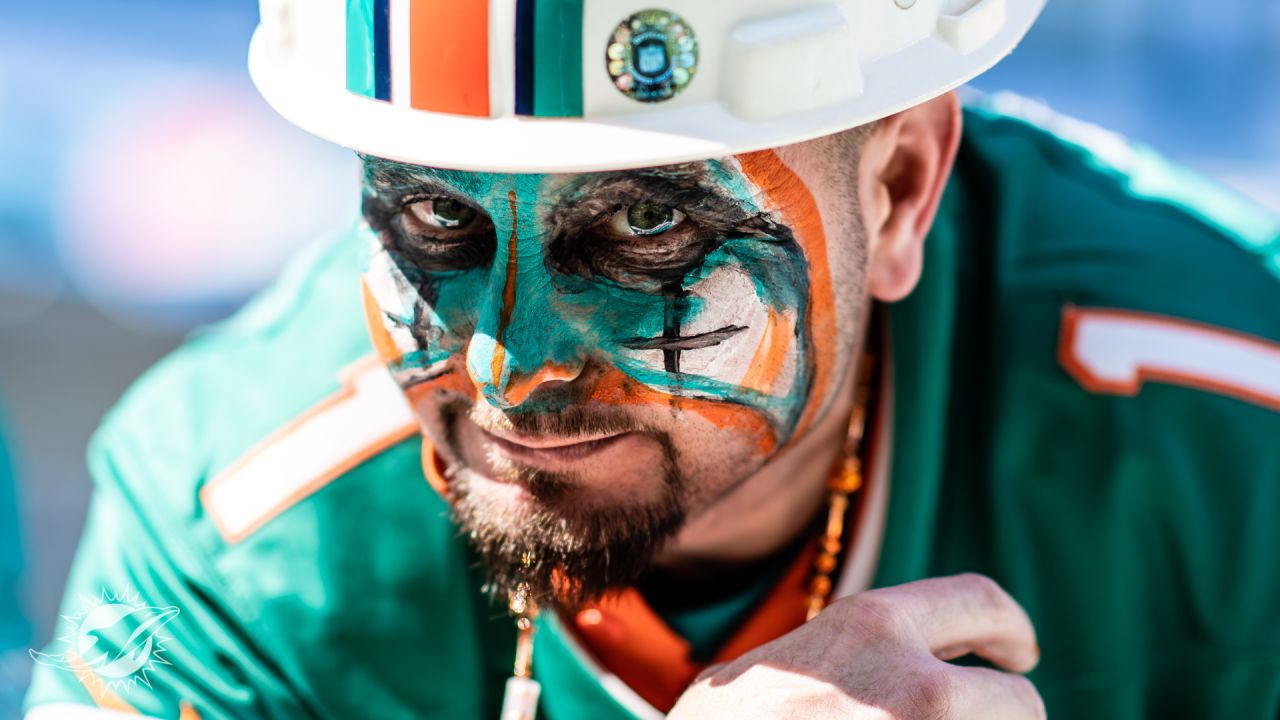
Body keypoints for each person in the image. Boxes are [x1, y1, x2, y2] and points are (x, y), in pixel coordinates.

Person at [25, 1, 1280, 718]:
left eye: (643, 227)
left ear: (898, 190)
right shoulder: (227, 525)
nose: (507, 370)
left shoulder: (1243, 430)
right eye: (433, 223)